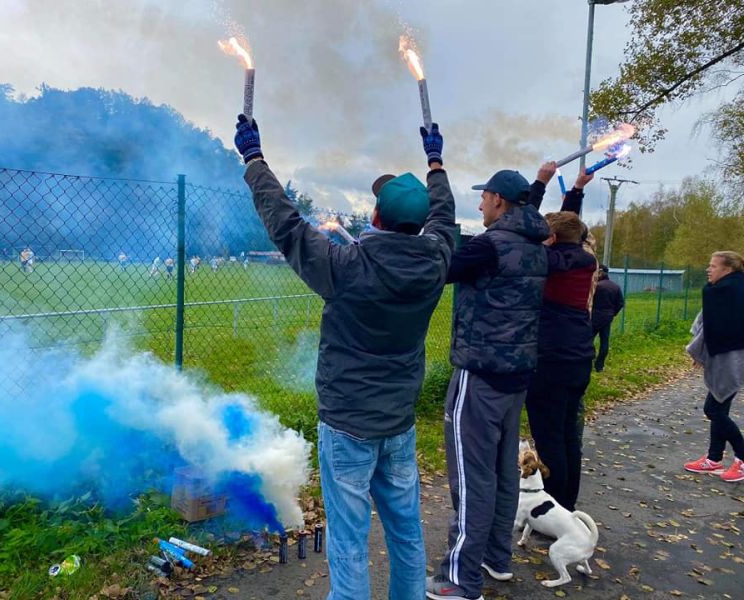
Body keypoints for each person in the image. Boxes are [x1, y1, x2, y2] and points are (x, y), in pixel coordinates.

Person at [234, 113, 455, 600]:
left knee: (350, 539)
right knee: (405, 530)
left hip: (348, 422)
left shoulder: (346, 266)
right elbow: (443, 215)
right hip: (398, 422)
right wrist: (436, 162)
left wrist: (254, 159)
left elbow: (287, 226)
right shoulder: (438, 259)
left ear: (376, 218)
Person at [427, 166, 550, 600]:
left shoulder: (488, 246)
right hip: (516, 376)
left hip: (479, 375)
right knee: (501, 472)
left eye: (484, 197)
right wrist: (540, 185)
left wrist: (433, 234)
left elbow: (438, 270)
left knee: (471, 477)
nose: (479, 204)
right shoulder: (537, 246)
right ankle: (496, 557)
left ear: (499, 200)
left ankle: (459, 580)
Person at [524, 166, 598, 513]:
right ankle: (568, 502)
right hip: (579, 357)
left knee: (550, 436)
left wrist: (539, 183)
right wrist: (577, 191)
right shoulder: (584, 259)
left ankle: (555, 507)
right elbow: (571, 226)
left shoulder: (547, 262)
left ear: (551, 238)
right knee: (569, 434)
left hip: (550, 360)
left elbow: (524, 225)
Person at [684, 251, 744, 483]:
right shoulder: (732, 288)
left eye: (713, 266)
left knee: (714, 410)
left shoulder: (725, 292)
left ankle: (741, 455)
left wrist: (700, 352)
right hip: (729, 357)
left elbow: (712, 328)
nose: (708, 270)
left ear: (727, 269)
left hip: (731, 360)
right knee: (720, 407)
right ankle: (714, 458)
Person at [592, 265, 624, 372]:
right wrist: (613, 313)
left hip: (594, 316)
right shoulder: (615, 287)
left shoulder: (596, 286)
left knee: (588, 339)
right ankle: (599, 365)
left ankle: (589, 359)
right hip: (607, 317)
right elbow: (620, 303)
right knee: (604, 341)